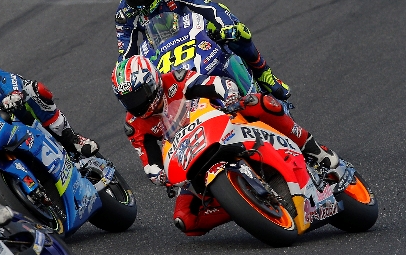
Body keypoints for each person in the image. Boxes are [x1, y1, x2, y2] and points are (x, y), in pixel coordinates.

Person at [111, 55, 338, 236]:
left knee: (260, 103)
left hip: (221, 123)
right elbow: (150, 162)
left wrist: (229, 96)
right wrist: (160, 176)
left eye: (139, 94)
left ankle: (312, 148)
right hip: (189, 157)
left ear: (153, 82)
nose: (136, 103)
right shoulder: (134, 124)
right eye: (129, 99)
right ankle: (245, 205)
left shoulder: (176, 79)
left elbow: (216, 84)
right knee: (185, 219)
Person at [115, 0, 291, 101]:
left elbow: (208, 7)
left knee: (235, 29)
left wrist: (226, 26)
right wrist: (127, 79)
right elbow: (126, 56)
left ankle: (263, 73)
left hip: (190, 32)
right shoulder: (124, 14)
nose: (139, 3)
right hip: (159, 49)